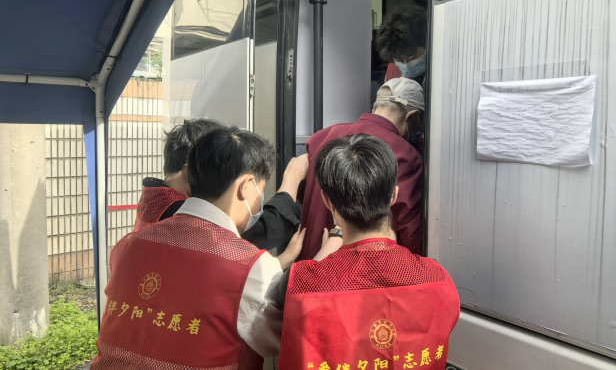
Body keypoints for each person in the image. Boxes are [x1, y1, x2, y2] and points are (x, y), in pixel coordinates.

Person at [91, 127, 305, 369]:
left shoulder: (128, 246)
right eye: (261, 190)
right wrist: (316, 267)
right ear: (246, 186)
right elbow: (281, 337)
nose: (259, 201)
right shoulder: (251, 266)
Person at [278, 135, 460, 369]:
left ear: (328, 201)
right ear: (394, 196)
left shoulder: (301, 283)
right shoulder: (436, 277)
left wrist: (325, 251)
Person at [298, 77, 424, 260]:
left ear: (375, 108)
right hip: (361, 266)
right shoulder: (406, 155)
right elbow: (408, 228)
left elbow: (304, 196)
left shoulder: (321, 137)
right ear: (411, 117)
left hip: (312, 258)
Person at [135, 118, 308, 250]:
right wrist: (291, 180)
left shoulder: (155, 198)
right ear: (191, 168)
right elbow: (249, 236)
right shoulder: (178, 213)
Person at [376, 3, 428, 84]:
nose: (406, 65)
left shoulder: (441, 70)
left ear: (426, 44)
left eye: (411, 57)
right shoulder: (392, 72)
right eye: (399, 60)